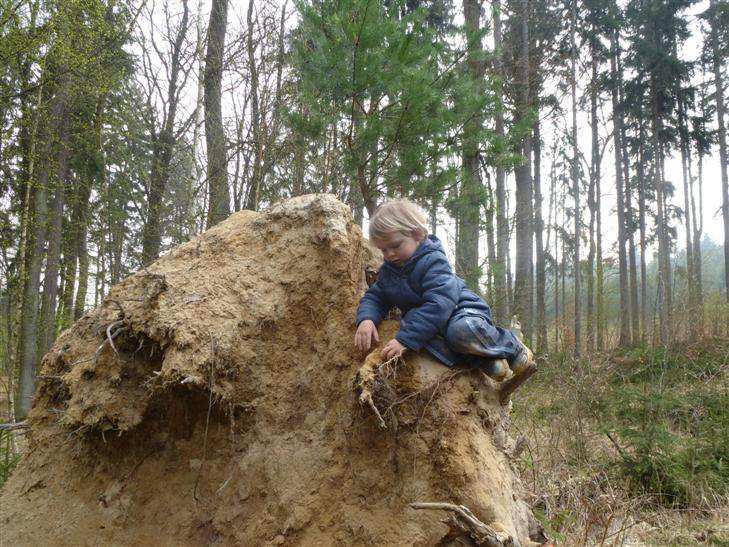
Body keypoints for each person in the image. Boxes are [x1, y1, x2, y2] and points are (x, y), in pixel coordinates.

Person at [354, 199, 533, 380]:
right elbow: (376, 296)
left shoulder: (433, 261)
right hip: (437, 325)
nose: (389, 254)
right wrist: (367, 318)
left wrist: (404, 340)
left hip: (461, 311)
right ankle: (483, 361)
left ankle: (512, 345)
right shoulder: (389, 272)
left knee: (458, 330)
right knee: (426, 341)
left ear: (416, 234)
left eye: (395, 246)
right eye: (383, 250)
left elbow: (439, 304)